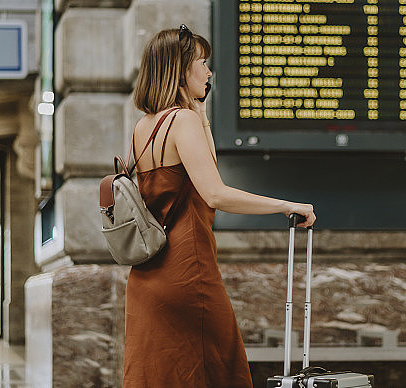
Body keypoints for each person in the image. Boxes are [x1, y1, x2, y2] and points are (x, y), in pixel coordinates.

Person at [124, 25, 316, 387]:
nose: (209, 72)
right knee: (219, 369)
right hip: (189, 269)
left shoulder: (145, 126)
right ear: (181, 70)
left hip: (149, 275)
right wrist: (284, 204)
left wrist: (201, 110)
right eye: (202, 63)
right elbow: (215, 193)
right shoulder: (181, 122)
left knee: (162, 375)